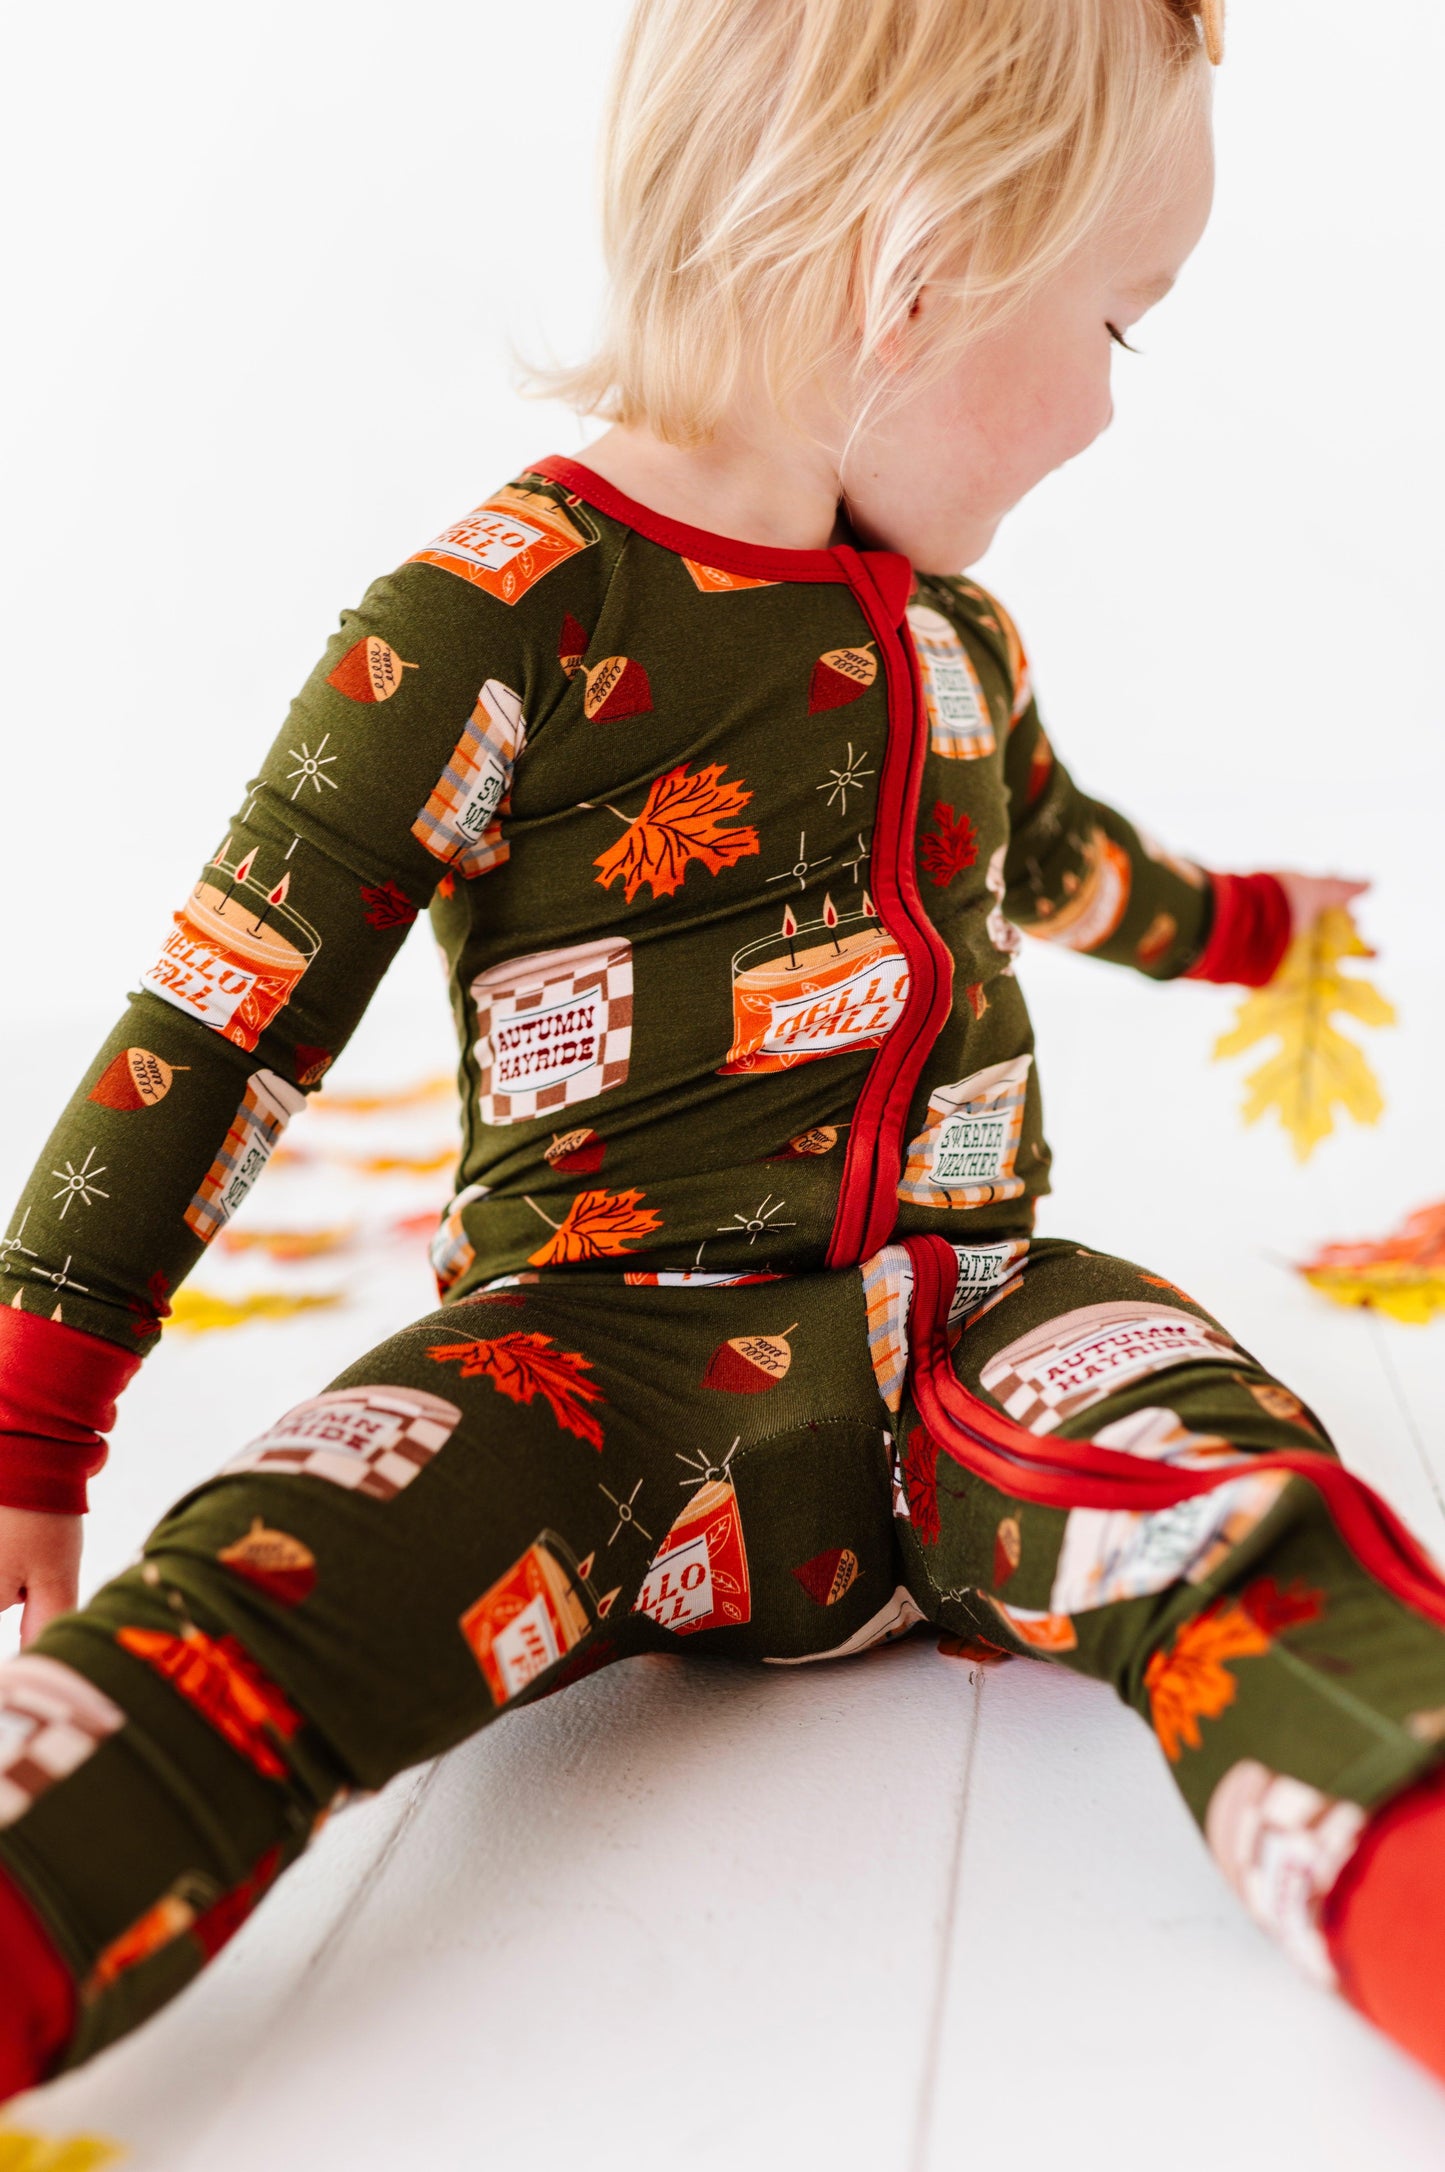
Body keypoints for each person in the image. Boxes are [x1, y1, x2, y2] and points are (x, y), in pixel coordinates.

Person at [0, 0, 1440, 2100]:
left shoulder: (955, 641)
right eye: (1116, 321)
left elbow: (1062, 860)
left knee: (1244, 1503)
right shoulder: (501, 612)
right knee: (253, 1607)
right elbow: (229, 1009)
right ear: (917, 268)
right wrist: (39, 1401)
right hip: (576, 1368)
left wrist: (1247, 926)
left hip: (972, 1321)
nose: (1112, 406)